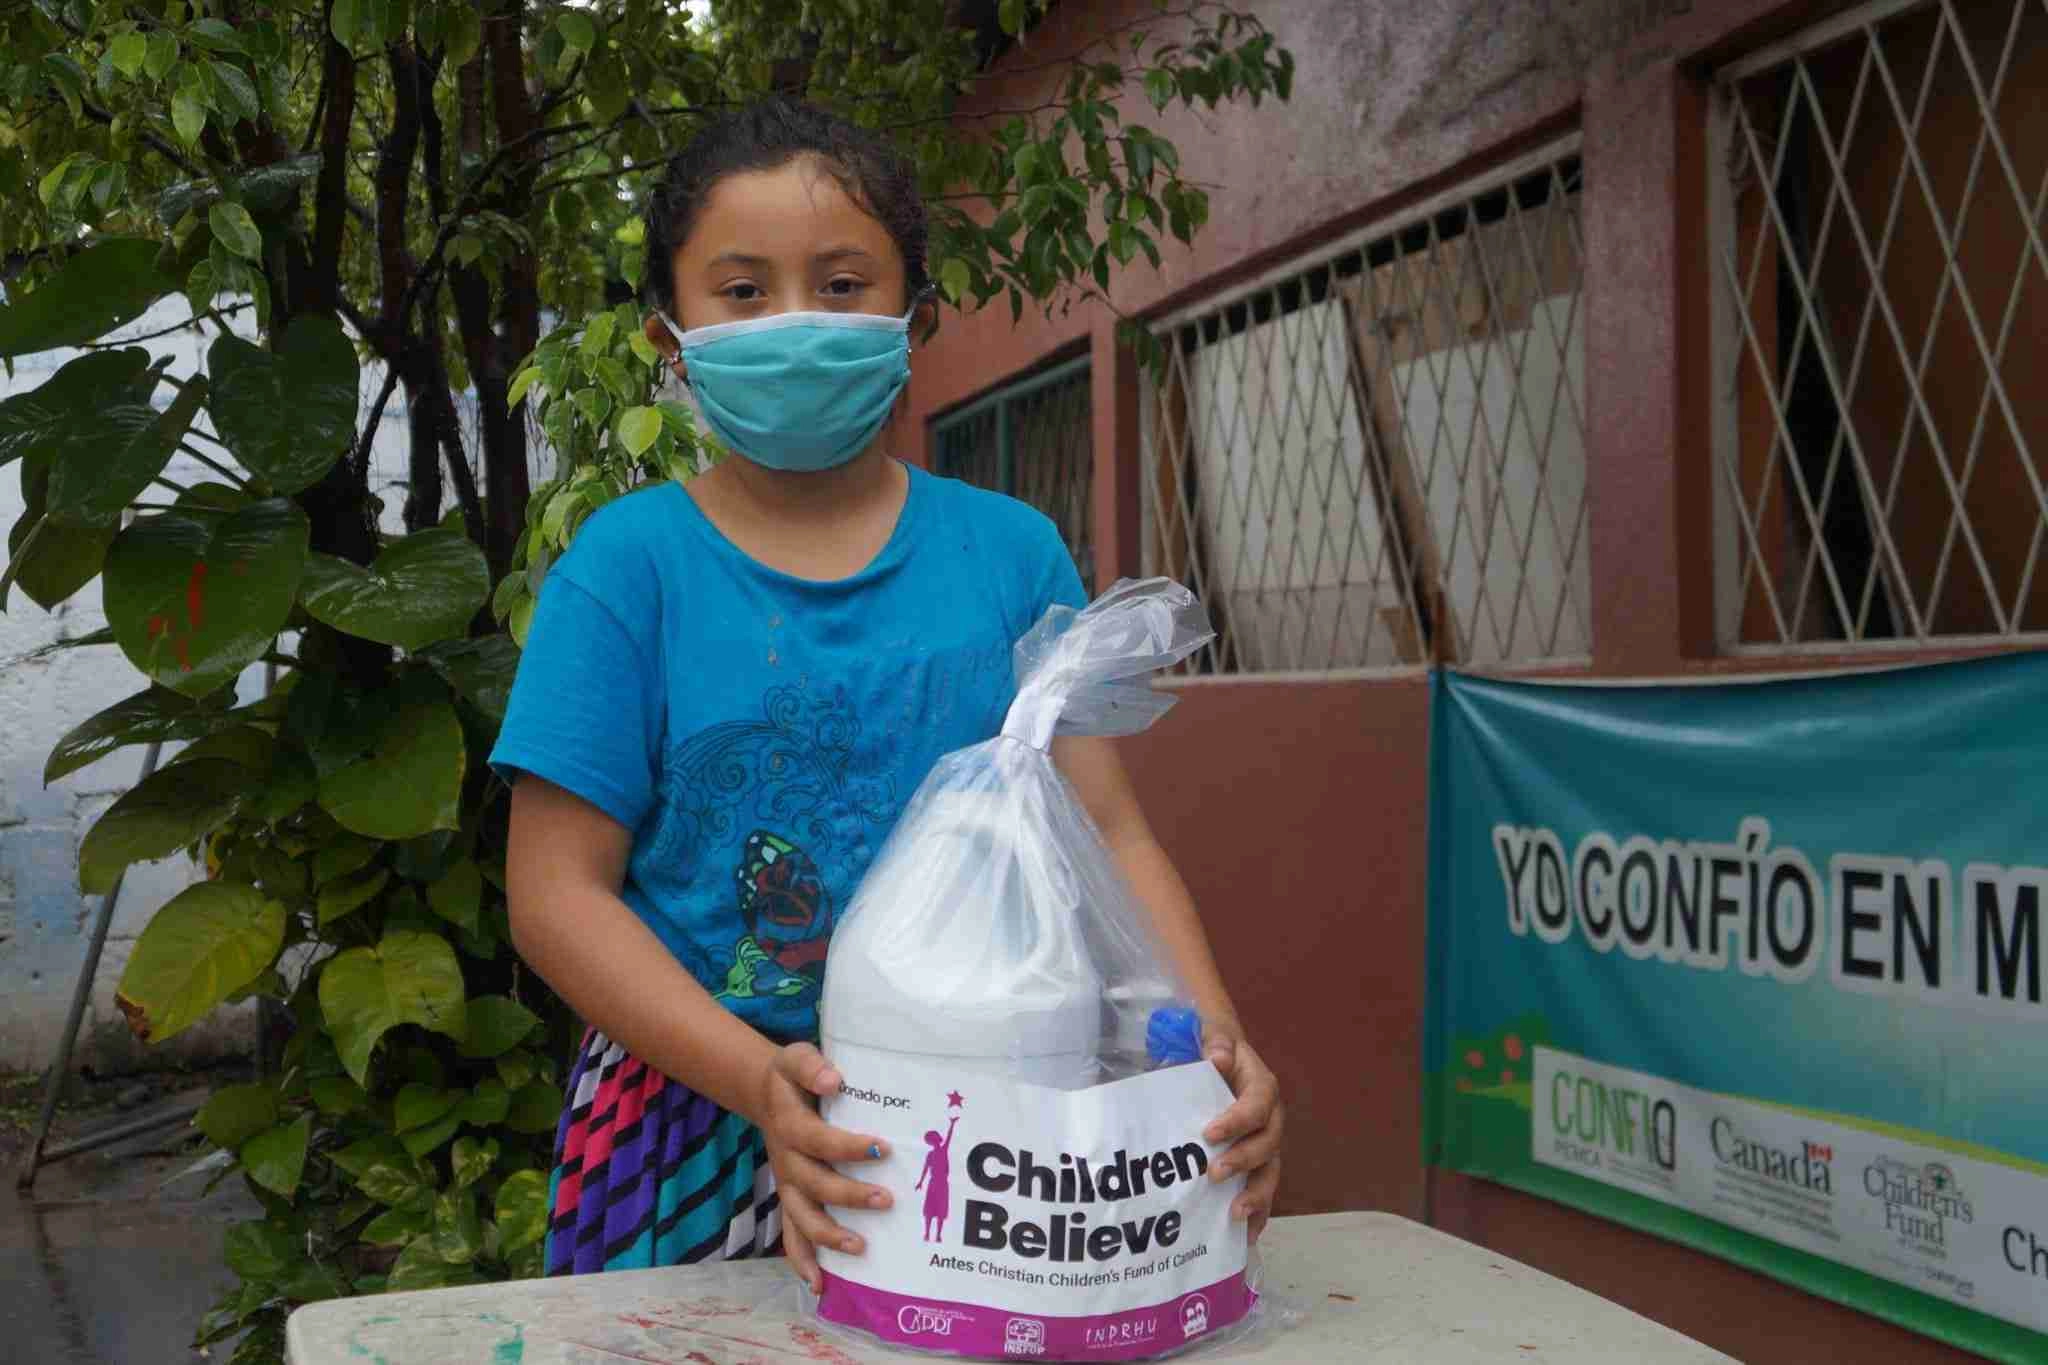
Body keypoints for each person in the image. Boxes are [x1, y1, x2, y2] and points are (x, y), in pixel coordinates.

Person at [493, 97, 1282, 1295]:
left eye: (842, 283)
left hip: (994, 1110)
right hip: (688, 1120)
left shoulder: (1010, 554)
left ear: (914, 317)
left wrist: (1211, 1052)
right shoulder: (622, 569)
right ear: (670, 335)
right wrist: (757, 1082)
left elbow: (1104, 829)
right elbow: (556, 894)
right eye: (743, 291)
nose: (795, 323)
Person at [916, 1116, 960, 1244]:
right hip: (933, 1182)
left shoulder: (943, 1150)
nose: (933, 1142)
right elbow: (925, 1169)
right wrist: (921, 1182)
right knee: (929, 1210)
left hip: (942, 1183)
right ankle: (927, 1233)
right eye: (931, 1140)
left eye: (934, 1139)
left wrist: (952, 1124)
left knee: (941, 1210)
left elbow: (949, 1137)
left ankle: (938, 1235)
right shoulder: (930, 1154)